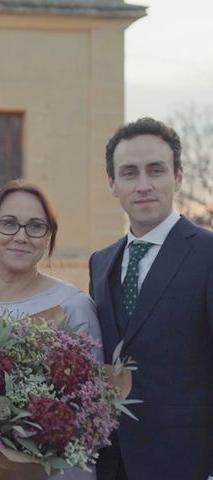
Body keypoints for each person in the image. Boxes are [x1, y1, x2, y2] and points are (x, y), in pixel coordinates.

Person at [0, 179, 103, 480]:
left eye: (35, 226)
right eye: (8, 224)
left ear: (48, 237)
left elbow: (90, 417)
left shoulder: (73, 306)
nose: (21, 236)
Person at [89, 117, 213, 480]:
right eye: (129, 173)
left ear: (178, 177)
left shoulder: (208, 254)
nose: (143, 185)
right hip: (112, 463)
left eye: (155, 170)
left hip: (189, 464)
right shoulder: (101, 262)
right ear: (112, 183)